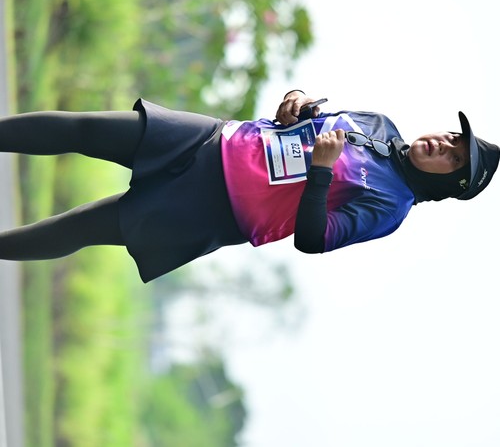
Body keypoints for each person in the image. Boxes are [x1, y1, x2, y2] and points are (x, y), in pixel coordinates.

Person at [0, 90, 498, 283]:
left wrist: (322, 172)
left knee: (81, 226)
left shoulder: (390, 208)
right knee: (85, 129)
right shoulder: (380, 123)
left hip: (213, 209)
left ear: (449, 182)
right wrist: (295, 104)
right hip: (212, 141)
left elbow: (313, 239)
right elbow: (302, 122)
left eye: (453, 158)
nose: (443, 145)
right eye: (451, 138)